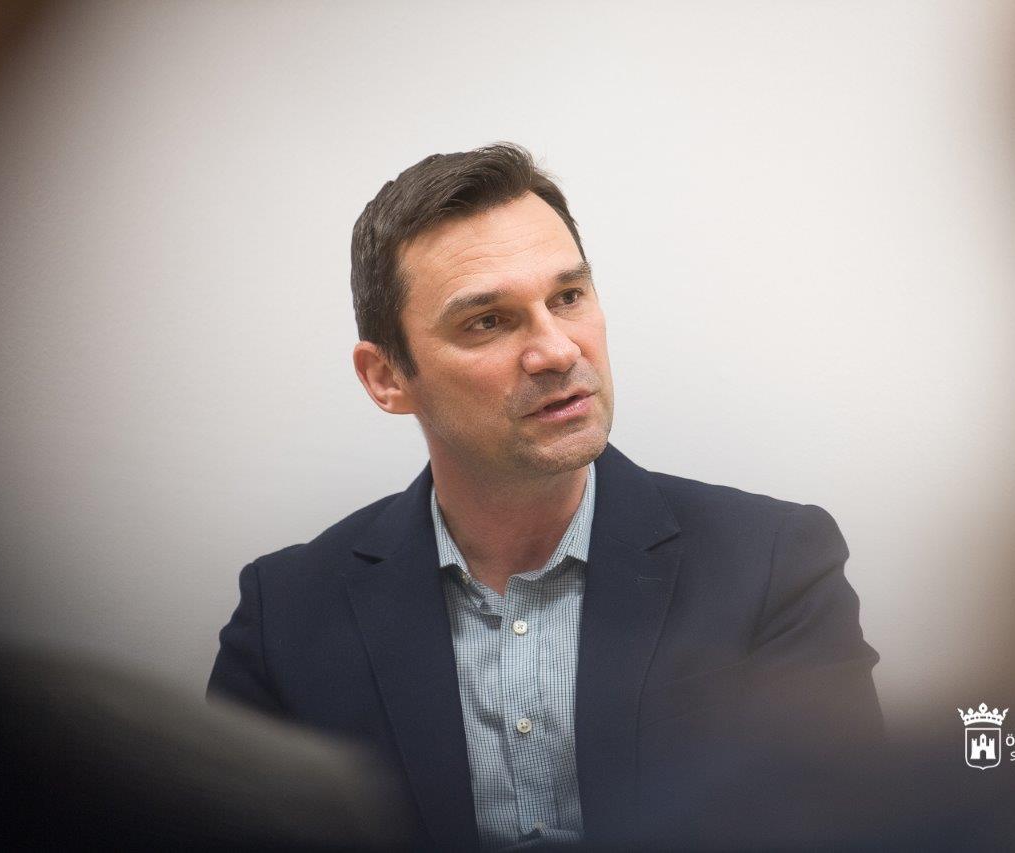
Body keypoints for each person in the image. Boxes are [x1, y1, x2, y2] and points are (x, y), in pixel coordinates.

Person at [208, 144, 883, 850]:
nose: (558, 350)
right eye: (487, 321)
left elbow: (848, 829)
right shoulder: (286, 616)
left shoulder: (775, 564)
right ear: (386, 378)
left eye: (568, 297)